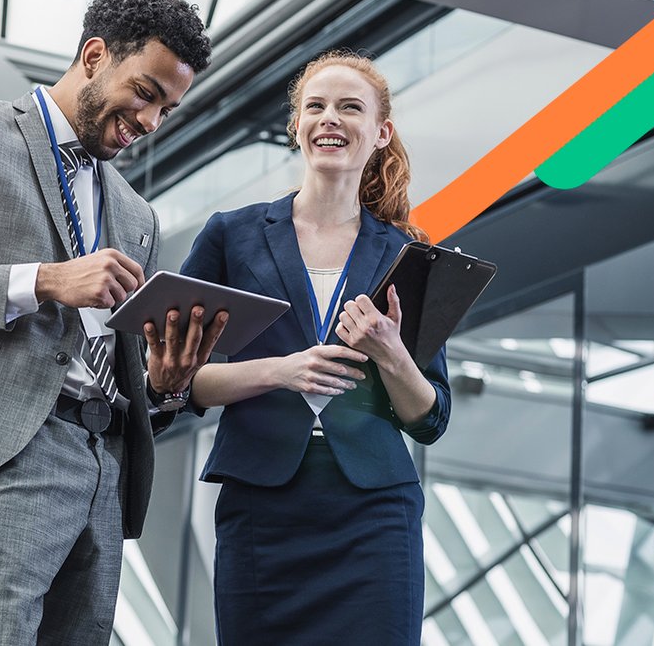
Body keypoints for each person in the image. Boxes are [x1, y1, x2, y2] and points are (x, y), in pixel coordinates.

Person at [0, 0, 226, 645]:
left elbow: (121, 367)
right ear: (94, 56)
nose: (151, 122)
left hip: (103, 461)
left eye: (167, 109)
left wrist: (166, 384)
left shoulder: (137, 215)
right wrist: (45, 281)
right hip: (4, 450)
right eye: (145, 93)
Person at [180, 50, 452, 645]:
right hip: (262, 504)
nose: (330, 117)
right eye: (316, 106)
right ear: (296, 126)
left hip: (375, 513)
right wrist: (282, 371)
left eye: (350, 107)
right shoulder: (231, 235)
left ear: (381, 133)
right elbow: (174, 382)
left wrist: (391, 351)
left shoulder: (408, 254)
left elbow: (430, 418)